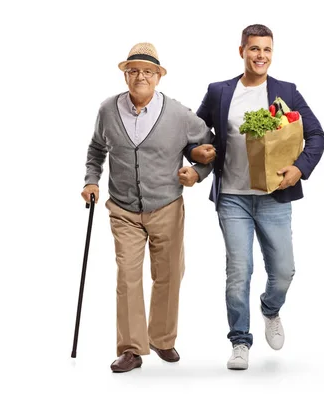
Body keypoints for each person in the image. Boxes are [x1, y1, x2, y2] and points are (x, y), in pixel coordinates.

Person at [189, 24, 324, 370]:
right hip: (232, 197)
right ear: (241, 51)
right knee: (239, 270)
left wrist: (299, 169)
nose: (260, 55)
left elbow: (316, 136)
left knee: (283, 271)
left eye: (266, 49)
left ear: (272, 53)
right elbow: (193, 132)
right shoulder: (220, 92)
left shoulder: (286, 91)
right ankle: (239, 340)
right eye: (253, 49)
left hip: (274, 196)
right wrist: (196, 151)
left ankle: (270, 308)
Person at [81, 42, 214, 373]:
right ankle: (131, 348)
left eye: (148, 71)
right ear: (126, 75)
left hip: (166, 206)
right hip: (123, 208)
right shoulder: (107, 110)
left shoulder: (180, 115)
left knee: (169, 273)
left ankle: (162, 338)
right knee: (127, 276)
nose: (140, 76)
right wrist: (91, 180)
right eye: (134, 70)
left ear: (158, 77)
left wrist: (196, 172)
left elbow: (210, 147)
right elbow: (97, 148)